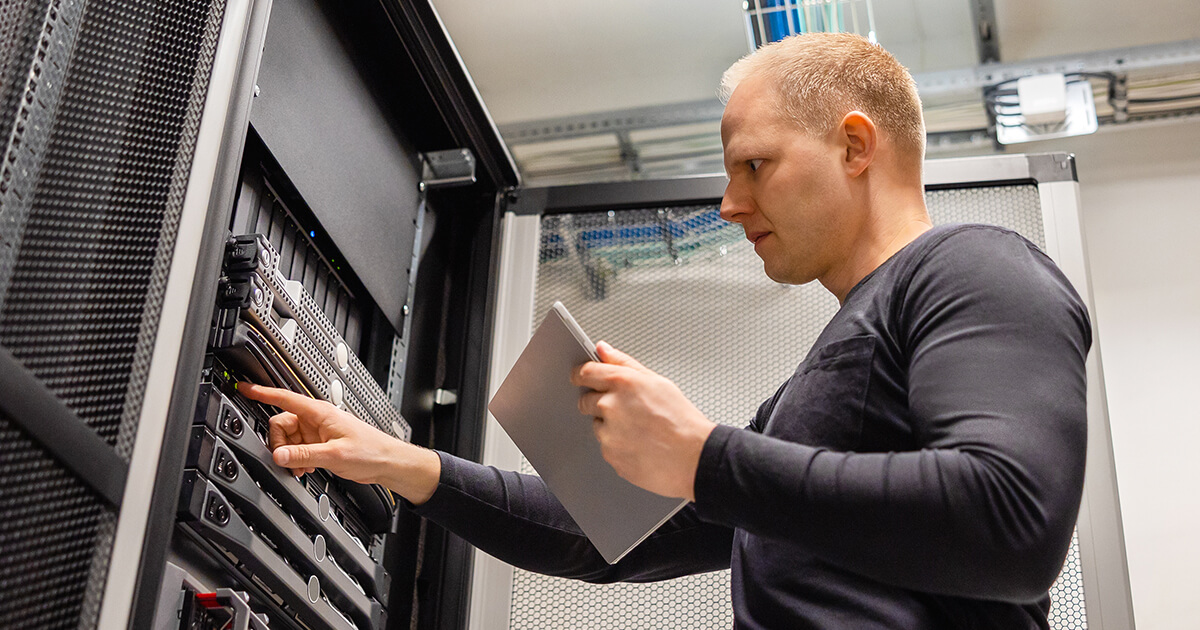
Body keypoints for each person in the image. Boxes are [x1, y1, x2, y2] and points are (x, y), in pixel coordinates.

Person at [241, 32, 1090, 629]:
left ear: (856, 145)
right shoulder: (812, 395)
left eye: (755, 165)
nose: (729, 204)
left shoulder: (978, 267)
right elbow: (609, 539)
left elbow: (1010, 523)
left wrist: (704, 454)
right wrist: (405, 464)